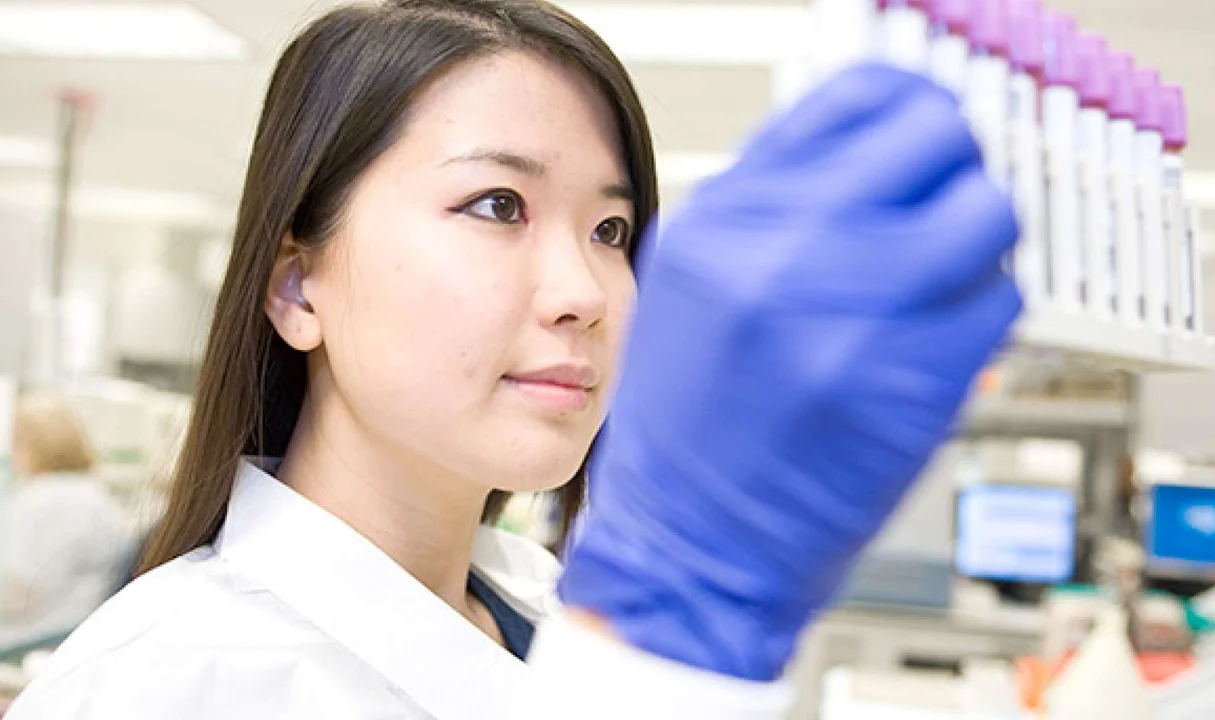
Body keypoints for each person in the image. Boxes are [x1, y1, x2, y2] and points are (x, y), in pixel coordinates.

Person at [5, 0, 1019, 718]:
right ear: (298, 289)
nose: (586, 292)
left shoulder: (533, 598)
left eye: (612, 230)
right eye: (497, 206)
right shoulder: (163, 686)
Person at [3, 394, 130, 636]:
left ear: (30, 445)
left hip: (39, 634)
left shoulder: (42, 499)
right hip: (81, 626)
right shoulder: (93, 492)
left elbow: (21, 596)